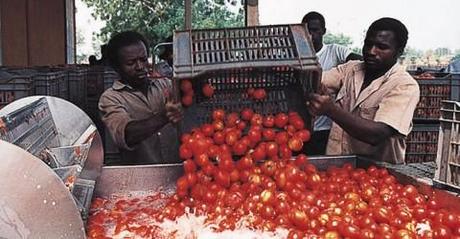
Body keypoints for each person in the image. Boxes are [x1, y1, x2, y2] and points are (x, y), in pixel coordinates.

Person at [307, 17, 420, 164]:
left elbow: (378, 133)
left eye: (382, 47)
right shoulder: (351, 69)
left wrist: (331, 110)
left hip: (378, 176)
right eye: (368, 44)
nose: (371, 51)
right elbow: (316, 81)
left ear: (399, 52)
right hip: (338, 169)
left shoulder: (404, 85)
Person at [99, 31, 183, 165]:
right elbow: (127, 134)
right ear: (117, 67)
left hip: (176, 172)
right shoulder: (110, 99)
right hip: (140, 177)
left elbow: (189, 97)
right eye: (131, 63)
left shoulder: (164, 85)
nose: (140, 67)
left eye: (143, 60)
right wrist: (165, 116)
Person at [301, 11, 362, 155]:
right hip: (300, 128)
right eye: (307, 30)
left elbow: (357, 61)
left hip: (324, 129)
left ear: (323, 31)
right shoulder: (298, 54)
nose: (311, 35)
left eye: (315, 30)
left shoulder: (334, 51)